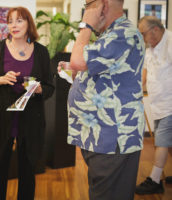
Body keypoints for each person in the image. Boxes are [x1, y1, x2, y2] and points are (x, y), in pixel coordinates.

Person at [61, 0, 145, 199]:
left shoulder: (123, 33)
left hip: (114, 138)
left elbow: (78, 60)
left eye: (89, 4)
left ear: (103, 5)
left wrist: (86, 25)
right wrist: (75, 73)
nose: (86, 10)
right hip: (102, 136)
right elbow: (97, 72)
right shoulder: (111, 34)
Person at [0, 6, 54, 200]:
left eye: (19, 20)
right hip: (1, 120)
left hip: (30, 121)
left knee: (28, 174)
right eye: (10, 21)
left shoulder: (41, 52)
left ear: (29, 23)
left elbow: (50, 87)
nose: (14, 25)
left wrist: (39, 89)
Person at [135, 16, 172, 195]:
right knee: (168, 143)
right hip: (158, 104)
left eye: (144, 33)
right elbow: (143, 77)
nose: (143, 38)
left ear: (155, 30)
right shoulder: (149, 48)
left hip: (171, 104)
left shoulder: (171, 42)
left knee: (162, 142)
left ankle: (155, 180)